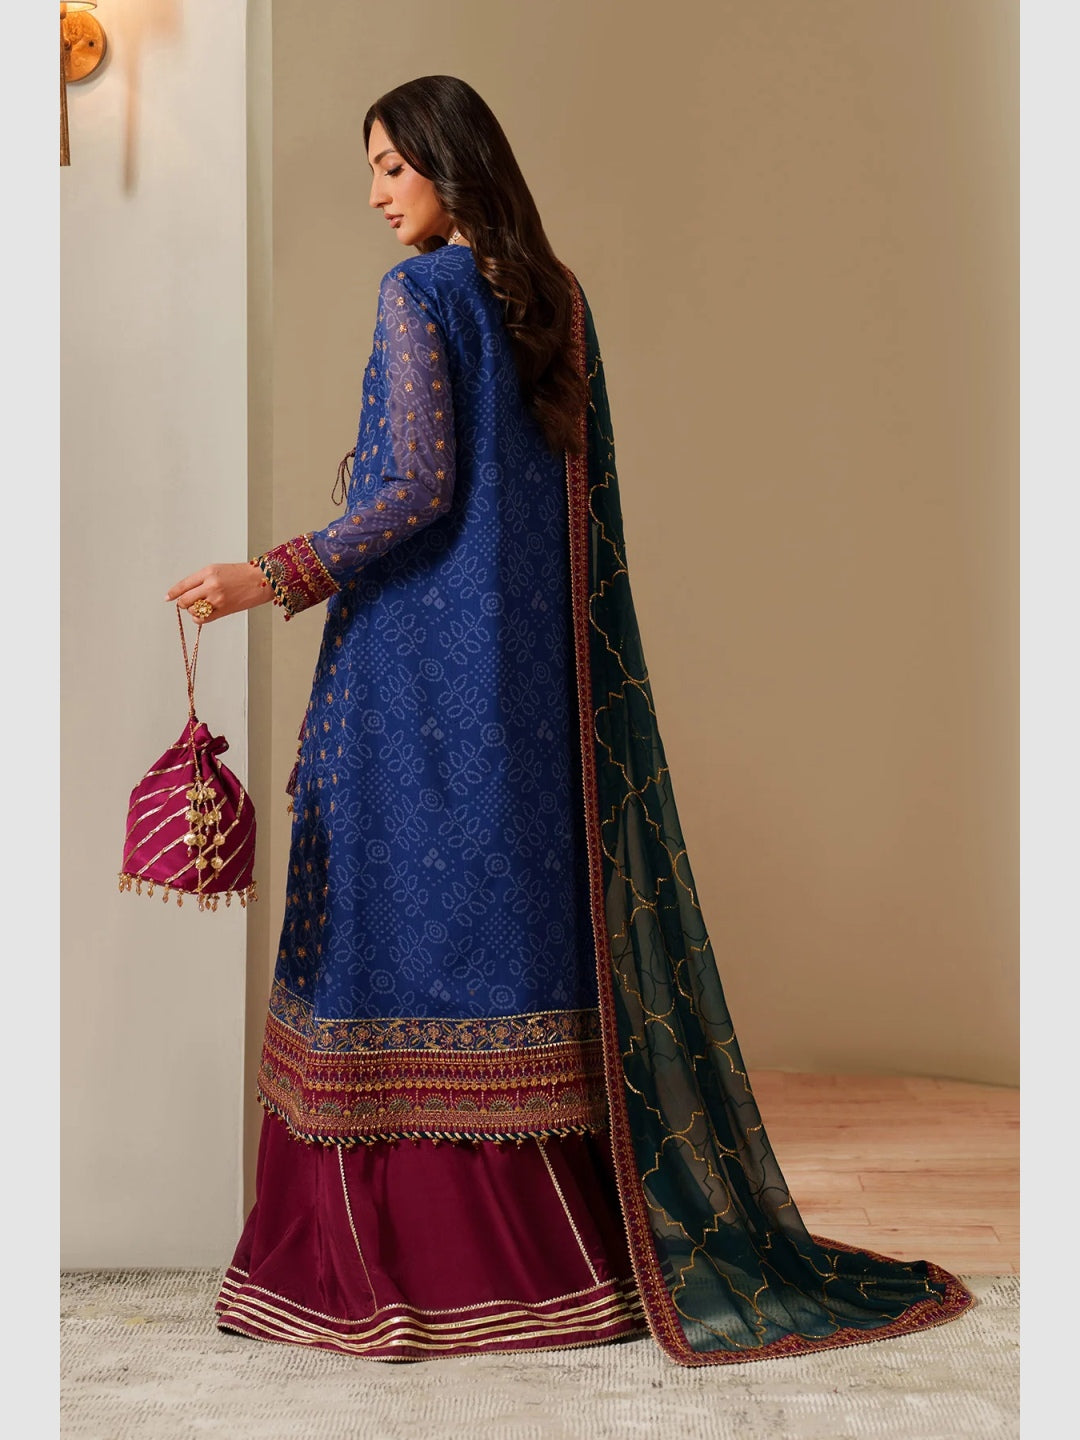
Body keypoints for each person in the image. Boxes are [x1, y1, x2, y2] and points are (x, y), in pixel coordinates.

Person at [167, 75, 974, 1365]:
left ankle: (402, 1269)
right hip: (534, 686)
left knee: (388, 931)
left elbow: (414, 489)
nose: (375, 195)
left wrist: (267, 575)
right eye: (370, 169)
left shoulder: (421, 295)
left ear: (450, 162)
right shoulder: (557, 299)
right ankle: (576, 1270)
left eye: (390, 166)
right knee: (513, 933)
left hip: (413, 678)